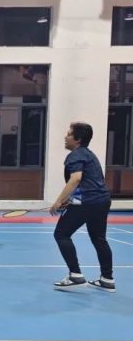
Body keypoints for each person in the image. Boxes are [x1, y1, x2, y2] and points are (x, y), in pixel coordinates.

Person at [51, 122, 114, 292]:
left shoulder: (75, 155)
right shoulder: (89, 155)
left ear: (77, 139)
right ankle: (107, 279)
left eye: (69, 134)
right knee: (99, 238)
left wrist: (59, 201)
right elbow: (88, 182)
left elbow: (76, 178)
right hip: (102, 200)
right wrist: (70, 199)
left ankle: (75, 275)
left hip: (87, 201)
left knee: (61, 234)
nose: (65, 137)